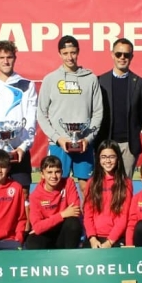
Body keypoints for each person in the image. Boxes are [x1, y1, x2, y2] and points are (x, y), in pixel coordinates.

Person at [37, 35, 104, 191]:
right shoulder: (50, 79)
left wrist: (87, 139)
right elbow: (41, 113)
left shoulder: (91, 79)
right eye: (65, 53)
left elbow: (98, 112)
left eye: (73, 52)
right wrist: (57, 138)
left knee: (86, 186)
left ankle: (87, 216)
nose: (70, 57)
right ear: (59, 54)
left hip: (83, 144)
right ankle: (62, 216)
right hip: (58, 144)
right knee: (57, 185)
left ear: (78, 52)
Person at [0, 40, 38, 196]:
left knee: (23, 195)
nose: (6, 61)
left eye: (9, 57)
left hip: (19, 151)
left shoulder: (27, 85)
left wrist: (23, 147)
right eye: (2, 57)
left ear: (15, 58)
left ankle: (25, 222)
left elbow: (31, 119)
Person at [97, 38, 142, 178]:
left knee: (125, 187)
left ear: (131, 56)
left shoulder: (140, 83)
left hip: (128, 145)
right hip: (105, 143)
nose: (122, 58)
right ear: (112, 54)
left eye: (126, 54)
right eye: (119, 54)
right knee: (104, 187)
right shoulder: (99, 81)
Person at [25, 155, 83, 250]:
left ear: (62, 172)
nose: (54, 176)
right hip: (47, 232)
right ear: (42, 175)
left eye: (57, 172)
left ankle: (70, 258)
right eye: (49, 172)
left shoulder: (68, 183)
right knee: (32, 242)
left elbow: (75, 211)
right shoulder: (35, 196)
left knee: (73, 223)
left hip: (64, 230)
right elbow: (37, 227)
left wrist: (47, 222)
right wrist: (62, 214)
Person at [82, 140, 133, 248]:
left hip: (115, 238)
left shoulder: (126, 183)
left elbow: (123, 217)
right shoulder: (92, 182)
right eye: (104, 157)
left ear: (118, 158)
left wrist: (110, 242)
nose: (108, 161)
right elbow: (88, 214)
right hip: (95, 237)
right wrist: (92, 238)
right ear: (99, 159)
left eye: (111, 157)